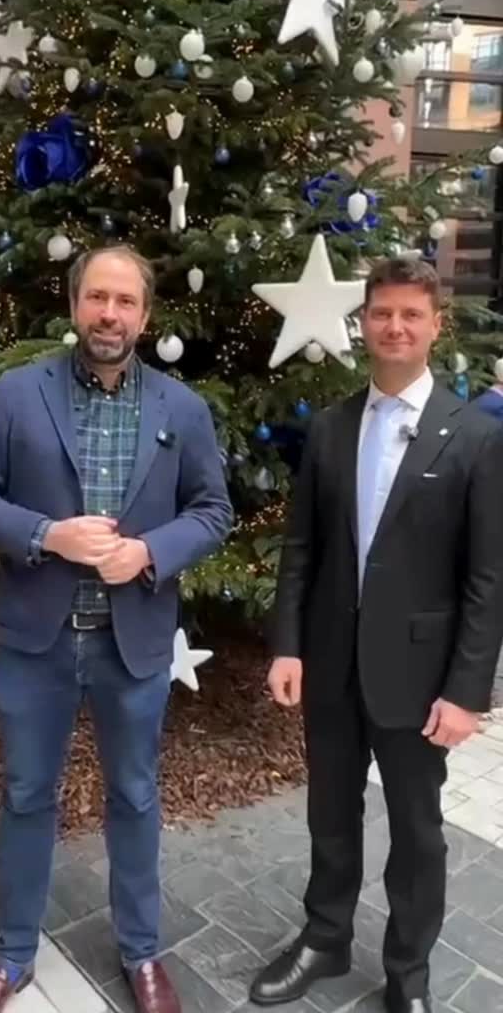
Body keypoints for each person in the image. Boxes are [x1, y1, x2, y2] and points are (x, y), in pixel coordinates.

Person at [0, 245, 233, 1013]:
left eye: (125, 302)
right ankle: (13, 956)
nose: (110, 314)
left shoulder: (182, 409)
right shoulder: (16, 395)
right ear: (76, 305)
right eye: (97, 298)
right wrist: (47, 533)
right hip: (35, 642)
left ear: (146, 314)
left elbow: (213, 511)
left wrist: (148, 551)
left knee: (135, 797)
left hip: (131, 644)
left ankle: (142, 953)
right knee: (26, 794)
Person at [250, 258, 503, 1013]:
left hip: (420, 681)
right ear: (363, 322)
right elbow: (302, 551)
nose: (395, 327)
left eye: (411, 315)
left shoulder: (474, 438)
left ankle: (408, 975)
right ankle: (325, 940)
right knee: (331, 815)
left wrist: (467, 694)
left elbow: (488, 580)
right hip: (329, 664)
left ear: (434, 326)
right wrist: (287, 645)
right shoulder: (329, 428)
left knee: (418, 836)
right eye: (382, 313)